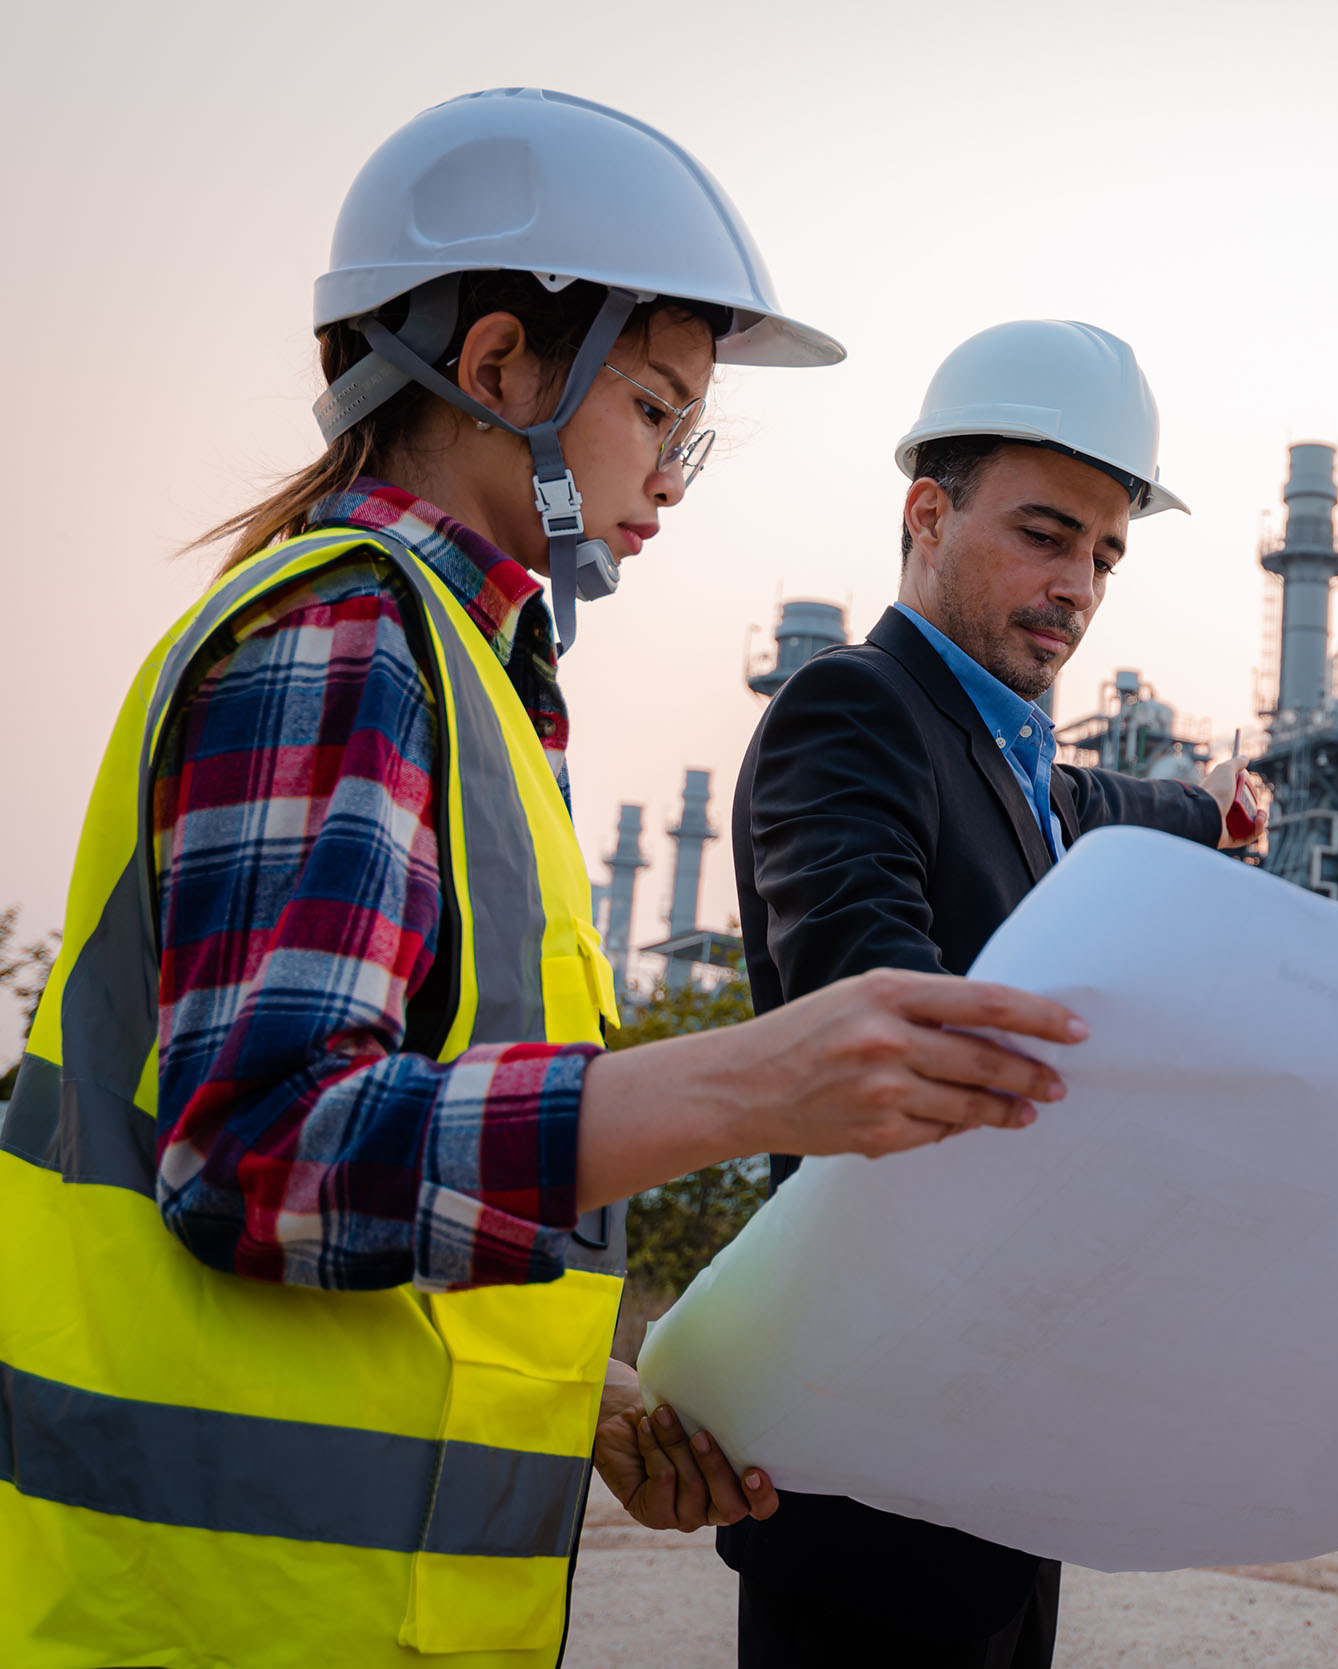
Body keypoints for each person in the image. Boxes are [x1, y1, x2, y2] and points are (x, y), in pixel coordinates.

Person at [0, 91, 1084, 1669]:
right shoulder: (349, 634)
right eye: (655, 409)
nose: (675, 474)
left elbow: (391, 1142)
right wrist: (750, 1083)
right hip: (232, 1618)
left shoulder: (468, 675)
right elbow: (258, 1153)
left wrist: (576, 1395)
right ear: (502, 364)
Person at [723, 319, 1264, 1667]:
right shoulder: (852, 711)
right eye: (1042, 532)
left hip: (1001, 1455)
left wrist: (1211, 808)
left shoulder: (1018, 766)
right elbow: (884, 1031)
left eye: (1104, 553)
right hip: (871, 1456)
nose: (1076, 582)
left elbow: (1092, 799)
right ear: (928, 512)